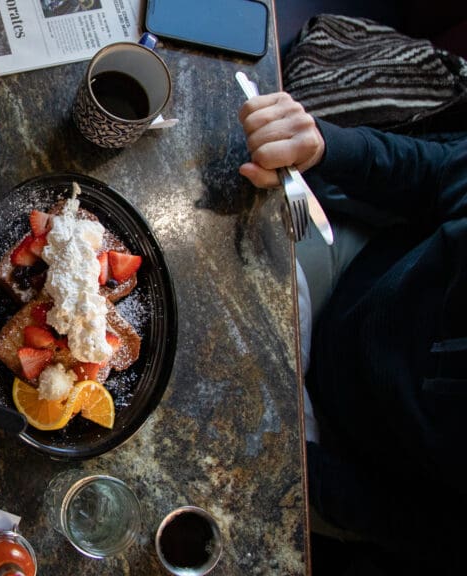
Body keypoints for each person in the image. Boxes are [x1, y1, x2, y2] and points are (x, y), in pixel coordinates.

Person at [238, 92, 466, 573]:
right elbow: (440, 173)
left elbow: (424, 528)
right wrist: (321, 148)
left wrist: (289, 461)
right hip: (347, 272)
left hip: (343, 465)